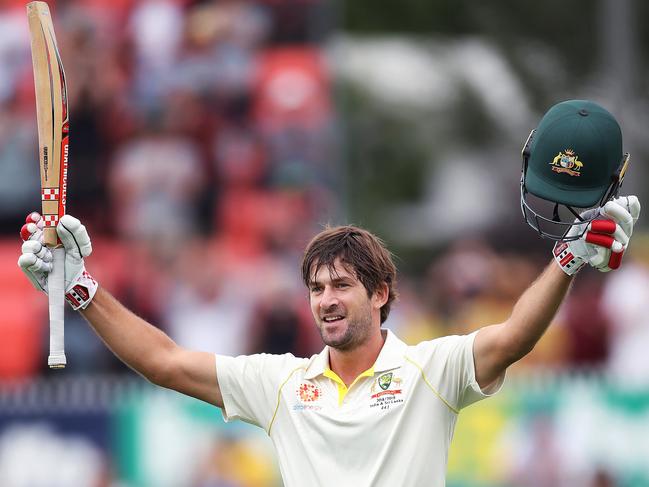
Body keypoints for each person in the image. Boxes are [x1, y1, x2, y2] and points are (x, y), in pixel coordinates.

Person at [17, 100, 641, 486]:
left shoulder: (430, 371)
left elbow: (511, 339)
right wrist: (79, 287)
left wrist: (568, 259)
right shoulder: (284, 384)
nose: (325, 299)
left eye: (342, 284)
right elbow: (164, 362)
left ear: (382, 294)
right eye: (316, 288)